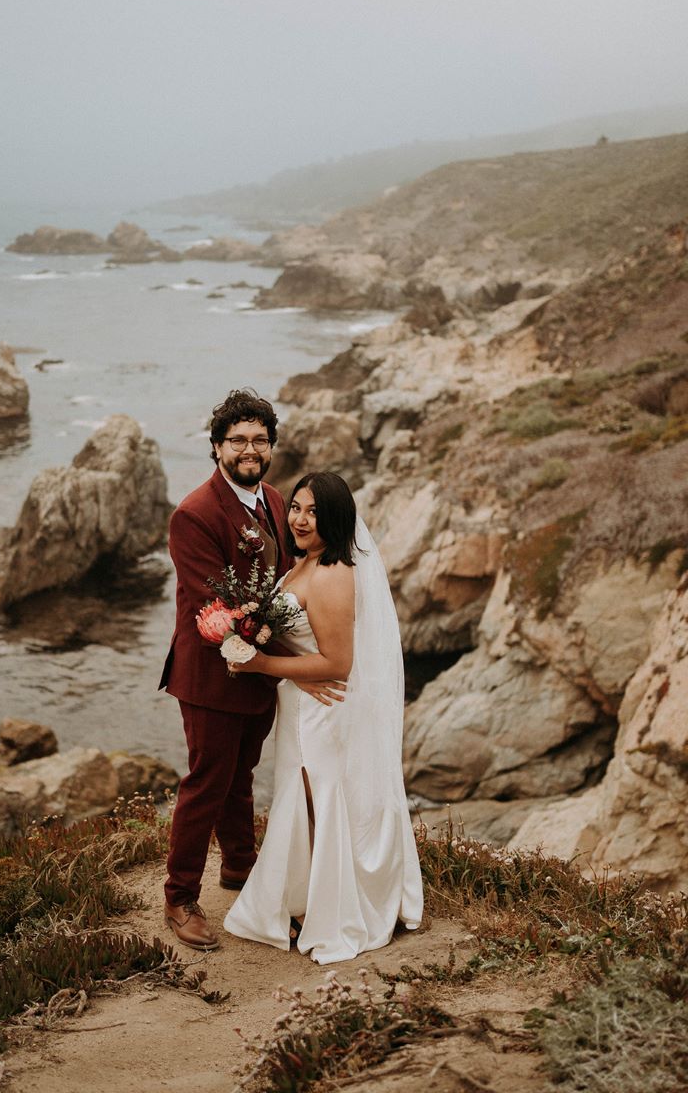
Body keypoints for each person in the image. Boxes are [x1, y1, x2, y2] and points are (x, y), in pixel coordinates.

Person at [224, 472, 424, 964]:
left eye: (312, 511)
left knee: (322, 799)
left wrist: (261, 663)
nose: (299, 518)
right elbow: (299, 638)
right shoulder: (302, 565)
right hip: (299, 703)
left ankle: (331, 907)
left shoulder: (334, 573)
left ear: (334, 517)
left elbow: (337, 664)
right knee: (305, 798)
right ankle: (307, 899)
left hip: (324, 708)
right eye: (295, 507)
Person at [159, 389, 333, 950]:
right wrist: (295, 654)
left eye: (259, 440)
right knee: (207, 782)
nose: (249, 449)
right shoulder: (194, 514)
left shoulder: (278, 502)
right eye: (238, 440)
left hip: (261, 669)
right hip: (211, 677)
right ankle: (180, 896)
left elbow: (289, 575)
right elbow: (213, 604)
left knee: (242, 776)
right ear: (217, 448)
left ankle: (239, 866)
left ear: (271, 446)